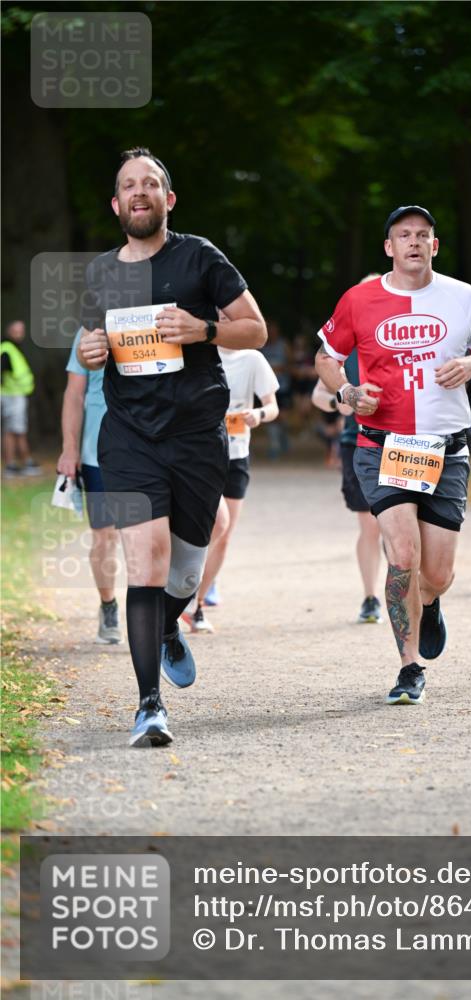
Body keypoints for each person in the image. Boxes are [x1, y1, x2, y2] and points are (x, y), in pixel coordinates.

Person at [77, 147, 266, 747]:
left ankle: (165, 629)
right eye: (129, 185)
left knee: (189, 561)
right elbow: (88, 340)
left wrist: (204, 329)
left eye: (151, 184)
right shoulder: (102, 273)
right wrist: (89, 351)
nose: (140, 192)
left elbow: (256, 328)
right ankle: (148, 707)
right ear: (116, 204)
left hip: (195, 435)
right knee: (146, 561)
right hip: (129, 436)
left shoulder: (200, 255)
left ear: (168, 199)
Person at [315, 206, 471, 705]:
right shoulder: (360, 299)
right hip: (383, 447)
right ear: (389, 247)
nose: (414, 242)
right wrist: (349, 394)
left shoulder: (462, 297)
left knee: (436, 573)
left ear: (435, 246)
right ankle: (409, 667)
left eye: (423, 235)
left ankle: (431, 600)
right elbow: (325, 359)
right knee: (402, 554)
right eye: (404, 235)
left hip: (446, 448)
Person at [182, 338, 279, 632]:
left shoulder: (252, 359)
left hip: (236, 455)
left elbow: (272, 406)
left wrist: (258, 415)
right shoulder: (197, 353)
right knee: (207, 527)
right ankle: (181, 590)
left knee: (224, 535)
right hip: (201, 455)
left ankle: (196, 605)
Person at [57, 328, 122, 643]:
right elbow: (74, 393)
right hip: (97, 454)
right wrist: (70, 449)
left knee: (156, 537)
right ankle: (108, 606)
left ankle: (158, 613)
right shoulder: (88, 332)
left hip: (150, 451)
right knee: (106, 537)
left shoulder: (153, 318)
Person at [312, 351, 384, 625]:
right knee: (371, 526)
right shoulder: (345, 352)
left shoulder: (402, 342)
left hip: (400, 441)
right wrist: (338, 400)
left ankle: (411, 594)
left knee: (401, 525)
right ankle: (370, 597)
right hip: (358, 443)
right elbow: (318, 395)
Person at [1, 320, 42, 477]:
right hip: (12, 396)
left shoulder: (13, 348)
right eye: (17, 331)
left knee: (14, 429)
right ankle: (22, 462)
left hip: (15, 395)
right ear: (9, 331)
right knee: (15, 430)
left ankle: (17, 463)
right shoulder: (7, 349)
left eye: (22, 331)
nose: (20, 334)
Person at [261, 320, 291, 459]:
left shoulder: (283, 345)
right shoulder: (261, 346)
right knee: (271, 417)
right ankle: (274, 446)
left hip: (283, 385)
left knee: (282, 417)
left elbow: (291, 365)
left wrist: (279, 368)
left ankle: (283, 437)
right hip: (267, 387)